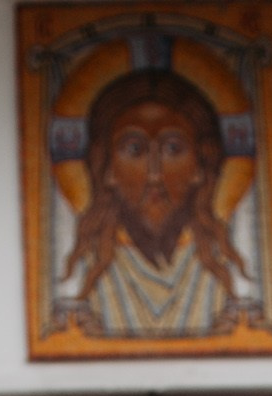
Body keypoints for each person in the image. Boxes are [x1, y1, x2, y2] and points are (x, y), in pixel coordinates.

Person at [62, 68, 251, 342]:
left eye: (172, 149)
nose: (153, 174)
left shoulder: (223, 266)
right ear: (108, 169)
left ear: (199, 165)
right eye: (134, 150)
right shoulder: (85, 270)